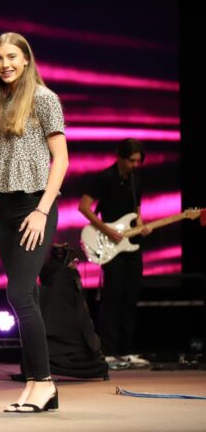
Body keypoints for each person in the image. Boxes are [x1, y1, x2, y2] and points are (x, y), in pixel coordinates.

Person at [0, 32, 69, 413]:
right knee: (26, 296)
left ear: (27, 59)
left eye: (12, 57)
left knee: (18, 296)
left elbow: (61, 160)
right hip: (5, 207)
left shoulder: (45, 98)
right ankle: (34, 382)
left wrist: (42, 211)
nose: (5, 64)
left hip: (36, 206)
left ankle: (45, 382)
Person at [78, 138, 151, 370]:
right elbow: (84, 206)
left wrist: (142, 225)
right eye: (131, 160)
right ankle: (108, 352)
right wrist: (105, 229)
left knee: (130, 297)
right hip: (109, 245)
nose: (135, 165)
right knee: (112, 298)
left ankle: (127, 351)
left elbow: (136, 212)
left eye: (138, 161)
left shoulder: (135, 182)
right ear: (120, 157)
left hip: (131, 245)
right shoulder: (104, 178)